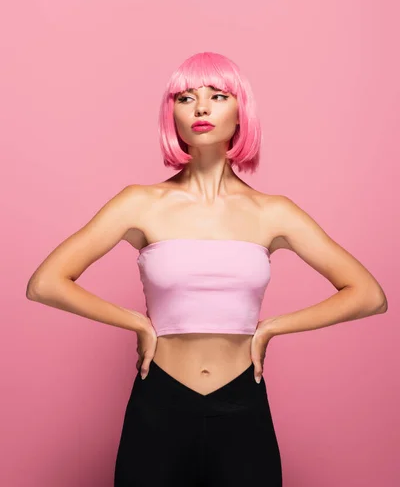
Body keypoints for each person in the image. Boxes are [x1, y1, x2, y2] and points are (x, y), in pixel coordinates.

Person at [26, 51, 388, 487]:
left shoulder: (273, 212)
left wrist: (272, 327)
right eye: (185, 97)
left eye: (218, 95)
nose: (201, 107)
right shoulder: (139, 203)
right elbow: (45, 283)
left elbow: (368, 294)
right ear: (172, 116)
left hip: (242, 405)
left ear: (241, 114)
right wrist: (136, 323)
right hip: (157, 405)